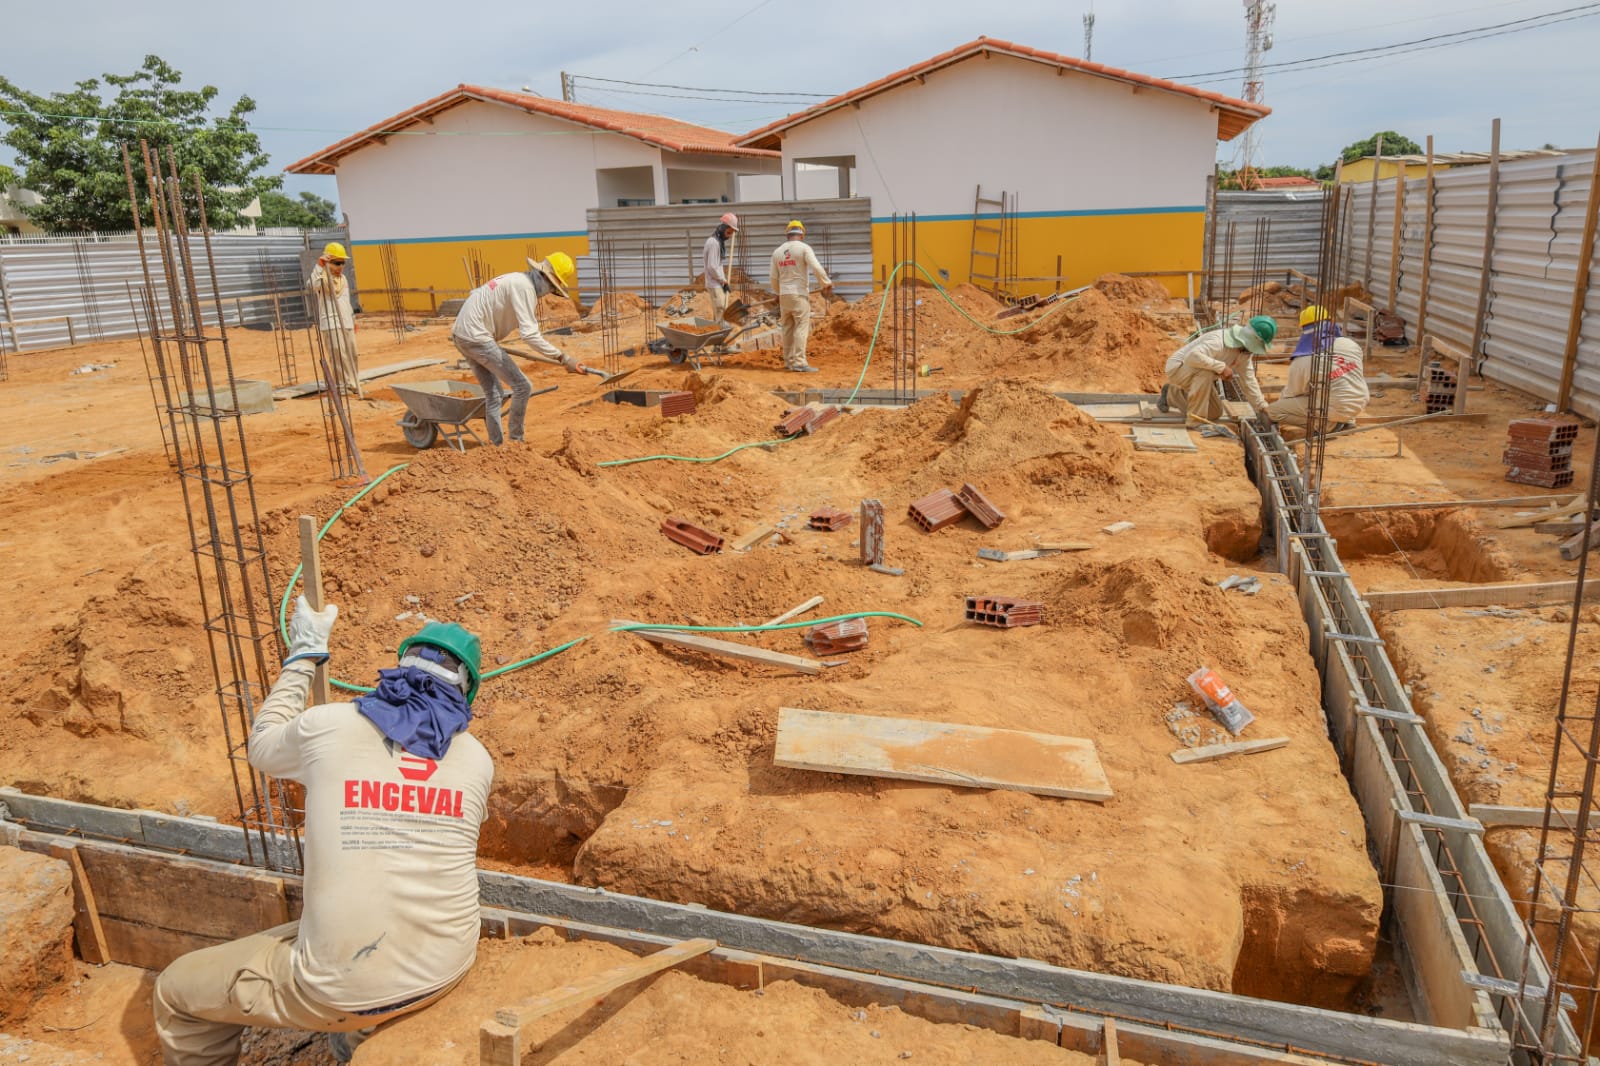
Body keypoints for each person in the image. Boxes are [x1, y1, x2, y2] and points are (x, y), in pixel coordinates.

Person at [153, 601, 494, 1065]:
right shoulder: (477, 760)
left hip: (344, 991)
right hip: (446, 967)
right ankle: (360, 1037)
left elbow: (262, 745)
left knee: (176, 992)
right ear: (466, 692)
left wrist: (304, 656)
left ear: (399, 668)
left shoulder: (329, 725)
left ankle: (356, 1021)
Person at [449, 254, 585, 446]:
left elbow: (478, 295)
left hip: (463, 335)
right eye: (552, 286)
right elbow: (530, 335)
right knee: (523, 386)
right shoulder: (524, 288)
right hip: (477, 337)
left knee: (494, 394)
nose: (549, 291)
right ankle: (516, 442)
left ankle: (496, 446)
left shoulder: (516, 280)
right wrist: (563, 357)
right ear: (544, 276)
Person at [1159, 315, 1277, 423]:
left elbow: (1248, 380)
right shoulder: (1218, 341)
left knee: (1214, 412)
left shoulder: (1244, 353)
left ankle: (1171, 394)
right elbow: (1192, 357)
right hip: (1178, 369)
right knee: (1205, 371)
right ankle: (1195, 421)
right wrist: (1222, 367)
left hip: (1197, 374)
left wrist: (1262, 406)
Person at [1267, 335, 1370, 433]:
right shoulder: (1350, 344)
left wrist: (1282, 405)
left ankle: (1327, 425)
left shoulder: (1302, 360)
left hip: (1337, 408)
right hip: (1360, 402)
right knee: (1335, 387)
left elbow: (1292, 393)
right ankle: (1349, 420)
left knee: (1273, 411)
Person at [769, 220, 834, 374]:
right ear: (802, 235)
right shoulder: (804, 248)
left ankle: (788, 361)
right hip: (799, 294)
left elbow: (773, 277)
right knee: (801, 326)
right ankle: (799, 362)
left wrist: (778, 292)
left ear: (787, 234)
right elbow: (816, 267)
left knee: (787, 327)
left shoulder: (777, 252)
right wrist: (826, 283)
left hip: (784, 295)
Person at [307, 242, 361, 397]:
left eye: (342, 263)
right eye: (337, 263)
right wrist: (319, 266)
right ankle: (341, 385)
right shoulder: (322, 279)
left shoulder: (344, 279)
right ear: (328, 262)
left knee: (352, 354)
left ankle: (353, 383)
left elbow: (347, 302)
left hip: (346, 322)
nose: (340, 266)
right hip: (331, 323)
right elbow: (311, 285)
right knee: (338, 355)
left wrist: (353, 319)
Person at [703, 212, 739, 325]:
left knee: (720, 310)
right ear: (722, 228)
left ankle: (718, 330)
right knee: (721, 309)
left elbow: (717, 265)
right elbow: (712, 267)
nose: (729, 236)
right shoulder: (714, 243)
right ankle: (719, 332)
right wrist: (722, 280)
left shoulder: (717, 242)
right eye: (728, 232)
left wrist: (723, 281)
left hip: (717, 282)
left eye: (731, 234)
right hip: (714, 283)